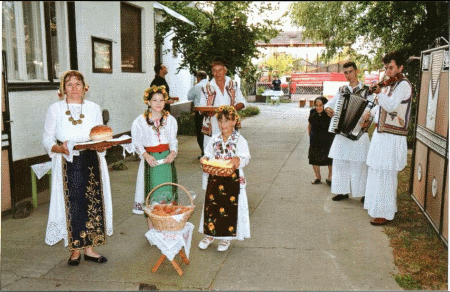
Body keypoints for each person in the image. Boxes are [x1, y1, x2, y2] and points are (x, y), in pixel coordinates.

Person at [42, 70, 112, 266]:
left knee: (92, 201)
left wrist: (102, 145)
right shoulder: (55, 109)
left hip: (91, 160)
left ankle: (90, 248)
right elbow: (47, 138)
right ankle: (75, 249)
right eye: (69, 84)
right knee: (72, 204)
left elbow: (99, 135)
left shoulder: (93, 108)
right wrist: (59, 148)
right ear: (63, 88)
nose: (74, 88)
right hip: (66, 161)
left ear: (84, 87)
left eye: (78, 84)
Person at [363, 51, 412, 225]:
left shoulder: (403, 85)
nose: (388, 71)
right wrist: (370, 113)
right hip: (381, 135)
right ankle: (376, 207)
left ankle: (385, 212)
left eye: (391, 67)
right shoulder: (390, 85)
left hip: (392, 137)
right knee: (376, 170)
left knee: (386, 174)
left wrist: (380, 92)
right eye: (386, 68)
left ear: (400, 67)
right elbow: (380, 107)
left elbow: (391, 105)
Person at [198, 105, 251, 251]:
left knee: (228, 207)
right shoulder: (214, 139)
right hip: (215, 178)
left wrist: (238, 160)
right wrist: (205, 158)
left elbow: (246, 157)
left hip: (231, 179)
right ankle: (209, 234)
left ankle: (225, 238)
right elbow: (208, 153)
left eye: (227, 121)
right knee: (212, 206)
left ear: (234, 121)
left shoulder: (240, 140)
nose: (223, 125)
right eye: (220, 121)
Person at [324, 61, 373, 202]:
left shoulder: (367, 90)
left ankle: (363, 193)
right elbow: (330, 105)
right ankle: (342, 191)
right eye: (345, 72)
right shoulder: (341, 90)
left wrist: (368, 119)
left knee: (359, 163)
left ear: (357, 71)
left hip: (359, 133)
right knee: (340, 162)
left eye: (350, 71)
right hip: (342, 133)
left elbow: (373, 109)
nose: (348, 75)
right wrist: (328, 109)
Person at [131, 85, 178, 230]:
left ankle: (166, 226)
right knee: (151, 193)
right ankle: (152, 230)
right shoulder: (140, 121)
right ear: (148, 102)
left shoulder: (170, 120)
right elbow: (136, 141)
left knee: (167, 192)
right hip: (150, 161)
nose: (158, 103)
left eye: (161, 100)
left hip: (166, 161)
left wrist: (173, 153)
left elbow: (173, 140)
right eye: (154, 100)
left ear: (165, 102)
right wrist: (145, 155)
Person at [198, 58, 247, 151]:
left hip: (230, 124)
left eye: (220, 70)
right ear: (212, 73)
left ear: (225, 71)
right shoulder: (206, 87)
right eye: (215, 71)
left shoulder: (233, 84)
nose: (218, 73)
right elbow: (201, 108)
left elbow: (242, 102)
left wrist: (232, 109)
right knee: (211, 155)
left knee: (232, 152)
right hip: (212, 125)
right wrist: (208, 111)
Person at [308, 96, 335, 185]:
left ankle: (330, 177)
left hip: (328, 139)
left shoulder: (329, 113)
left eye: (320, 105)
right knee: (313, 158)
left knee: (330, 159)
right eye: (316, 105)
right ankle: (317, 176)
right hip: (315, 139)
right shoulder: (312, 112)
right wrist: (310, 135)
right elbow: (310, 124)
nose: (318, 107)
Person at [187, 70, 208, 158]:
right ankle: (210, 151)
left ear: (198, 78)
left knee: (200, 133)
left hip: (199, 112)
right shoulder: (211, 84)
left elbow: (189, 97)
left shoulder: (197, 86)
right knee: (209, 131)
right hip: (210, 112)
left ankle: (204, 152)